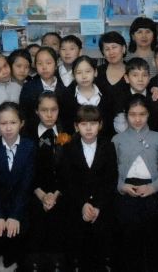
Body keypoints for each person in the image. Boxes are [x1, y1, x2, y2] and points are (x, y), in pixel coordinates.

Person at [112, 94, 158, 271]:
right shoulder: (117, 140)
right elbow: (109, 172)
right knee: (128, 230)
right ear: (126, 115)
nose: (137, 119)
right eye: (132, 114)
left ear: (149, 114)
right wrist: (122, 186)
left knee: (154, 230)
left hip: (152, 189)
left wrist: (153, 187)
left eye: (142, 114)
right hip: (126, 189)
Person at [60, 105, 118, 271]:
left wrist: (98, 206)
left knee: (101, 243)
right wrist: (83, 204)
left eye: (93, 124)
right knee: (78, 242)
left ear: (100, 125)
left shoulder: (108, 146)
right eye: (84, 124)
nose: (88, 128)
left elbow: (111, 179)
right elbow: (68, 181)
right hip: (77, 205)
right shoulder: (69, 148)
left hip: (102, 206)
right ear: (76, 126)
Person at [0, 102, 35, 272]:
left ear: (21, 123)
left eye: (13, 122)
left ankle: (9, 262)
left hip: (20, 206)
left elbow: (26, 185)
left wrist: (14, 215)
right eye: (3, 123)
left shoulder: (29, 147)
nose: (8, 128)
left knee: (17, 236)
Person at [27, 92, 70, 270]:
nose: (50, 115)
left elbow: (69, 169)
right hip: (34, 188)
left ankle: (58, 258)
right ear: (36, 111)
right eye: (44, 110)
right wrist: (42, 195)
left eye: (54, 109)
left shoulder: (66, 133)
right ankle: (34, 259)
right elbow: (26, 170)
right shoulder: (27, 134)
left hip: (60, 189)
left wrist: (55, 194)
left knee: (61, 212)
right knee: (35, 213)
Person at [60, 55, 115, 138]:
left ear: (95, 72)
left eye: (88, 71)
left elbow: (109, 125)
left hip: (103, 142)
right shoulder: (66, 97)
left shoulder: (107, 94)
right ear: (73, 75)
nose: (84, 76)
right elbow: (67, 126)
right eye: (79, 72)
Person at [19, 46, 67, 133]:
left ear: (56, 64)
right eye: (40, 63)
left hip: (60, 134)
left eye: (48, 63)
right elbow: (24, 114)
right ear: (35, 65)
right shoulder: (28, 87)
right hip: (33, 133)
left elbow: (66, 117)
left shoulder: (64, 89)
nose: (44, 67)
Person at [113, 57, 158, 135]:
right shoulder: (119, 98)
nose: (140, 79)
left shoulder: (156, 97)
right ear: (126, 78)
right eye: (135, 75)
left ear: (149, 78)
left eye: (144, 75)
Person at [95, 31, 129, 98]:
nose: (111, 52)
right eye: (107, 49)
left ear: (123, 48)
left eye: (114, 47)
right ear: (103, 54)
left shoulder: (132, 71)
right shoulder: (97, 72)